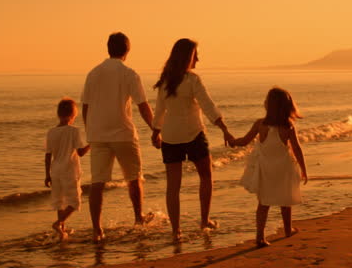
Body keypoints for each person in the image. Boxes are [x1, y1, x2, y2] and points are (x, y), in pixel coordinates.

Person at [151, 38, 235, 242]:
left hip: (170, 137)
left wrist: (156, 132)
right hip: (193, 134)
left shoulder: (165, 81)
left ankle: (176, 231)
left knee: (173, 186)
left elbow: (160, 111)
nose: (198, 58)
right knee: (206, 176)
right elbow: (208, 105)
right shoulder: (191, 80)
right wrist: (224, 129)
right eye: (195, 54)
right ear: (187, 57)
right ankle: (204, 221)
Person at [81, 32, 154, 242]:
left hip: (98, 135)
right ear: (127, 51)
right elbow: (143, 106)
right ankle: (138, 218)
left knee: (97, 183)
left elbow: (85, 107)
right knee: (134, 178)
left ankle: (97, 229)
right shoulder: (129, 74)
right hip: (123, 133)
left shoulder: (93, 73)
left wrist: (90, 132)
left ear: (108, 48)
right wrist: (155, 129)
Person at [229, 87, 308, 247]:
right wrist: (304, 169)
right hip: (284, 167)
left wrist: (232, 141)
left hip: (265, 168)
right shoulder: (288, 126)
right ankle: (288, 230)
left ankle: (260, 237)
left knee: (263, 203)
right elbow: (297, 148)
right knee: (285, 200)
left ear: (269, 105)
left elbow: (244, 141)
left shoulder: (260, 124)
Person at [44, 98, 90, 241]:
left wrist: (47, 175)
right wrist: (92, 143)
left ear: (58, 114)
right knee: (74, 202)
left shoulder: (51, 132)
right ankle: (58, 223)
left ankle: (61, 232)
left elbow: (48, 155)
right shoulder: (73, 131)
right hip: (69, 170)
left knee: (60, 201)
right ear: (74, 114)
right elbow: (81, 152)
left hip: (55, 170)